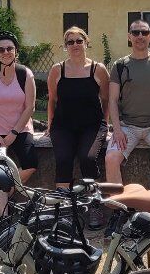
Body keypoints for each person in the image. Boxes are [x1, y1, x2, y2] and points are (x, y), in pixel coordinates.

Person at [105, 18, 150, 191]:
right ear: (129, 37)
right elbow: (113, 100)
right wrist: (116, 129)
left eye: (144, 32)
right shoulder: (120, 65)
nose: (140, 36)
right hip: (127, 127)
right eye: (135, 32)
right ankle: (118, 208)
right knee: (111, 158)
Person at [0, 32, 38, 217]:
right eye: (1, 49)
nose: (6, 52)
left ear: (16, 51)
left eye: (9, 48)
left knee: (30, 164)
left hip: (20, 129)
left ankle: (8, 190)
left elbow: (30, 107)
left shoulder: (25, 73)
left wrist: (13, 133)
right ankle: (4, 217)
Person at [46, 26, 110, 189]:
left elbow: (106, 99)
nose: (75, 45)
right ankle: (63, 207)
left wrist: (106, 123)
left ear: (86, 43)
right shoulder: (57, 70)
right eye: (70, 42)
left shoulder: (98, 69)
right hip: (63, 126)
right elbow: (52, 100)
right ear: (66, 46)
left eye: (79, 41)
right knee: (63, 160)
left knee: (87, 158)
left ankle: (94, 205)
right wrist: (50, 124)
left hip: (92, 126)